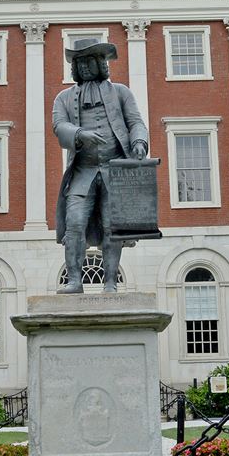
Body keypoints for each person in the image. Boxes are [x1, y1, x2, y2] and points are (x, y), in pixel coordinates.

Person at [52, 39, 148, 293]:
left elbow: (136, 122)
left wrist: (139, 141)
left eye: (88, 61)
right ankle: (74, 280)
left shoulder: (121, 92)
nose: (84, 67)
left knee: (111, 226)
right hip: (82, 172)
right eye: (79, 62)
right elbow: (59, 127)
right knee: (73, 223)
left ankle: (110, 282)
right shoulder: (63, 98)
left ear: (100, 64)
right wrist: (79, 133)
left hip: (114, 171)